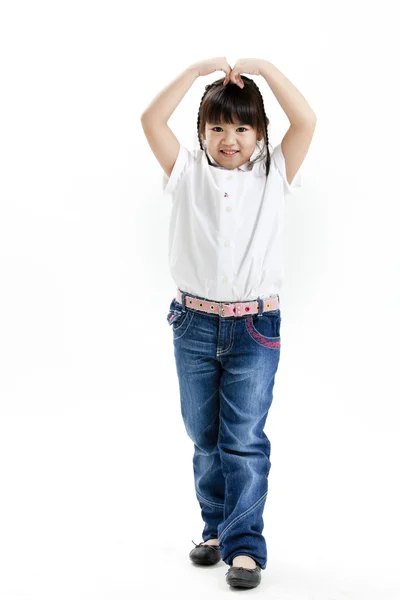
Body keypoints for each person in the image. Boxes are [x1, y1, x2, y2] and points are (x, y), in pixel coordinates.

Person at [140, 57, 317, 589]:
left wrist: (267, 71)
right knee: (204, 435)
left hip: (255, 328)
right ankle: (215, 528)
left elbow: (306, 121)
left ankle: (244, 546)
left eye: (242, 127)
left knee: (242, 438)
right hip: (192, 324)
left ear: (260, 134)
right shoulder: (186, 171)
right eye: (216, 126)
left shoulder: (274, 171)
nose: (229, 138)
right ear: (201, 132)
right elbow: (150, 120)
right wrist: (195, 74)